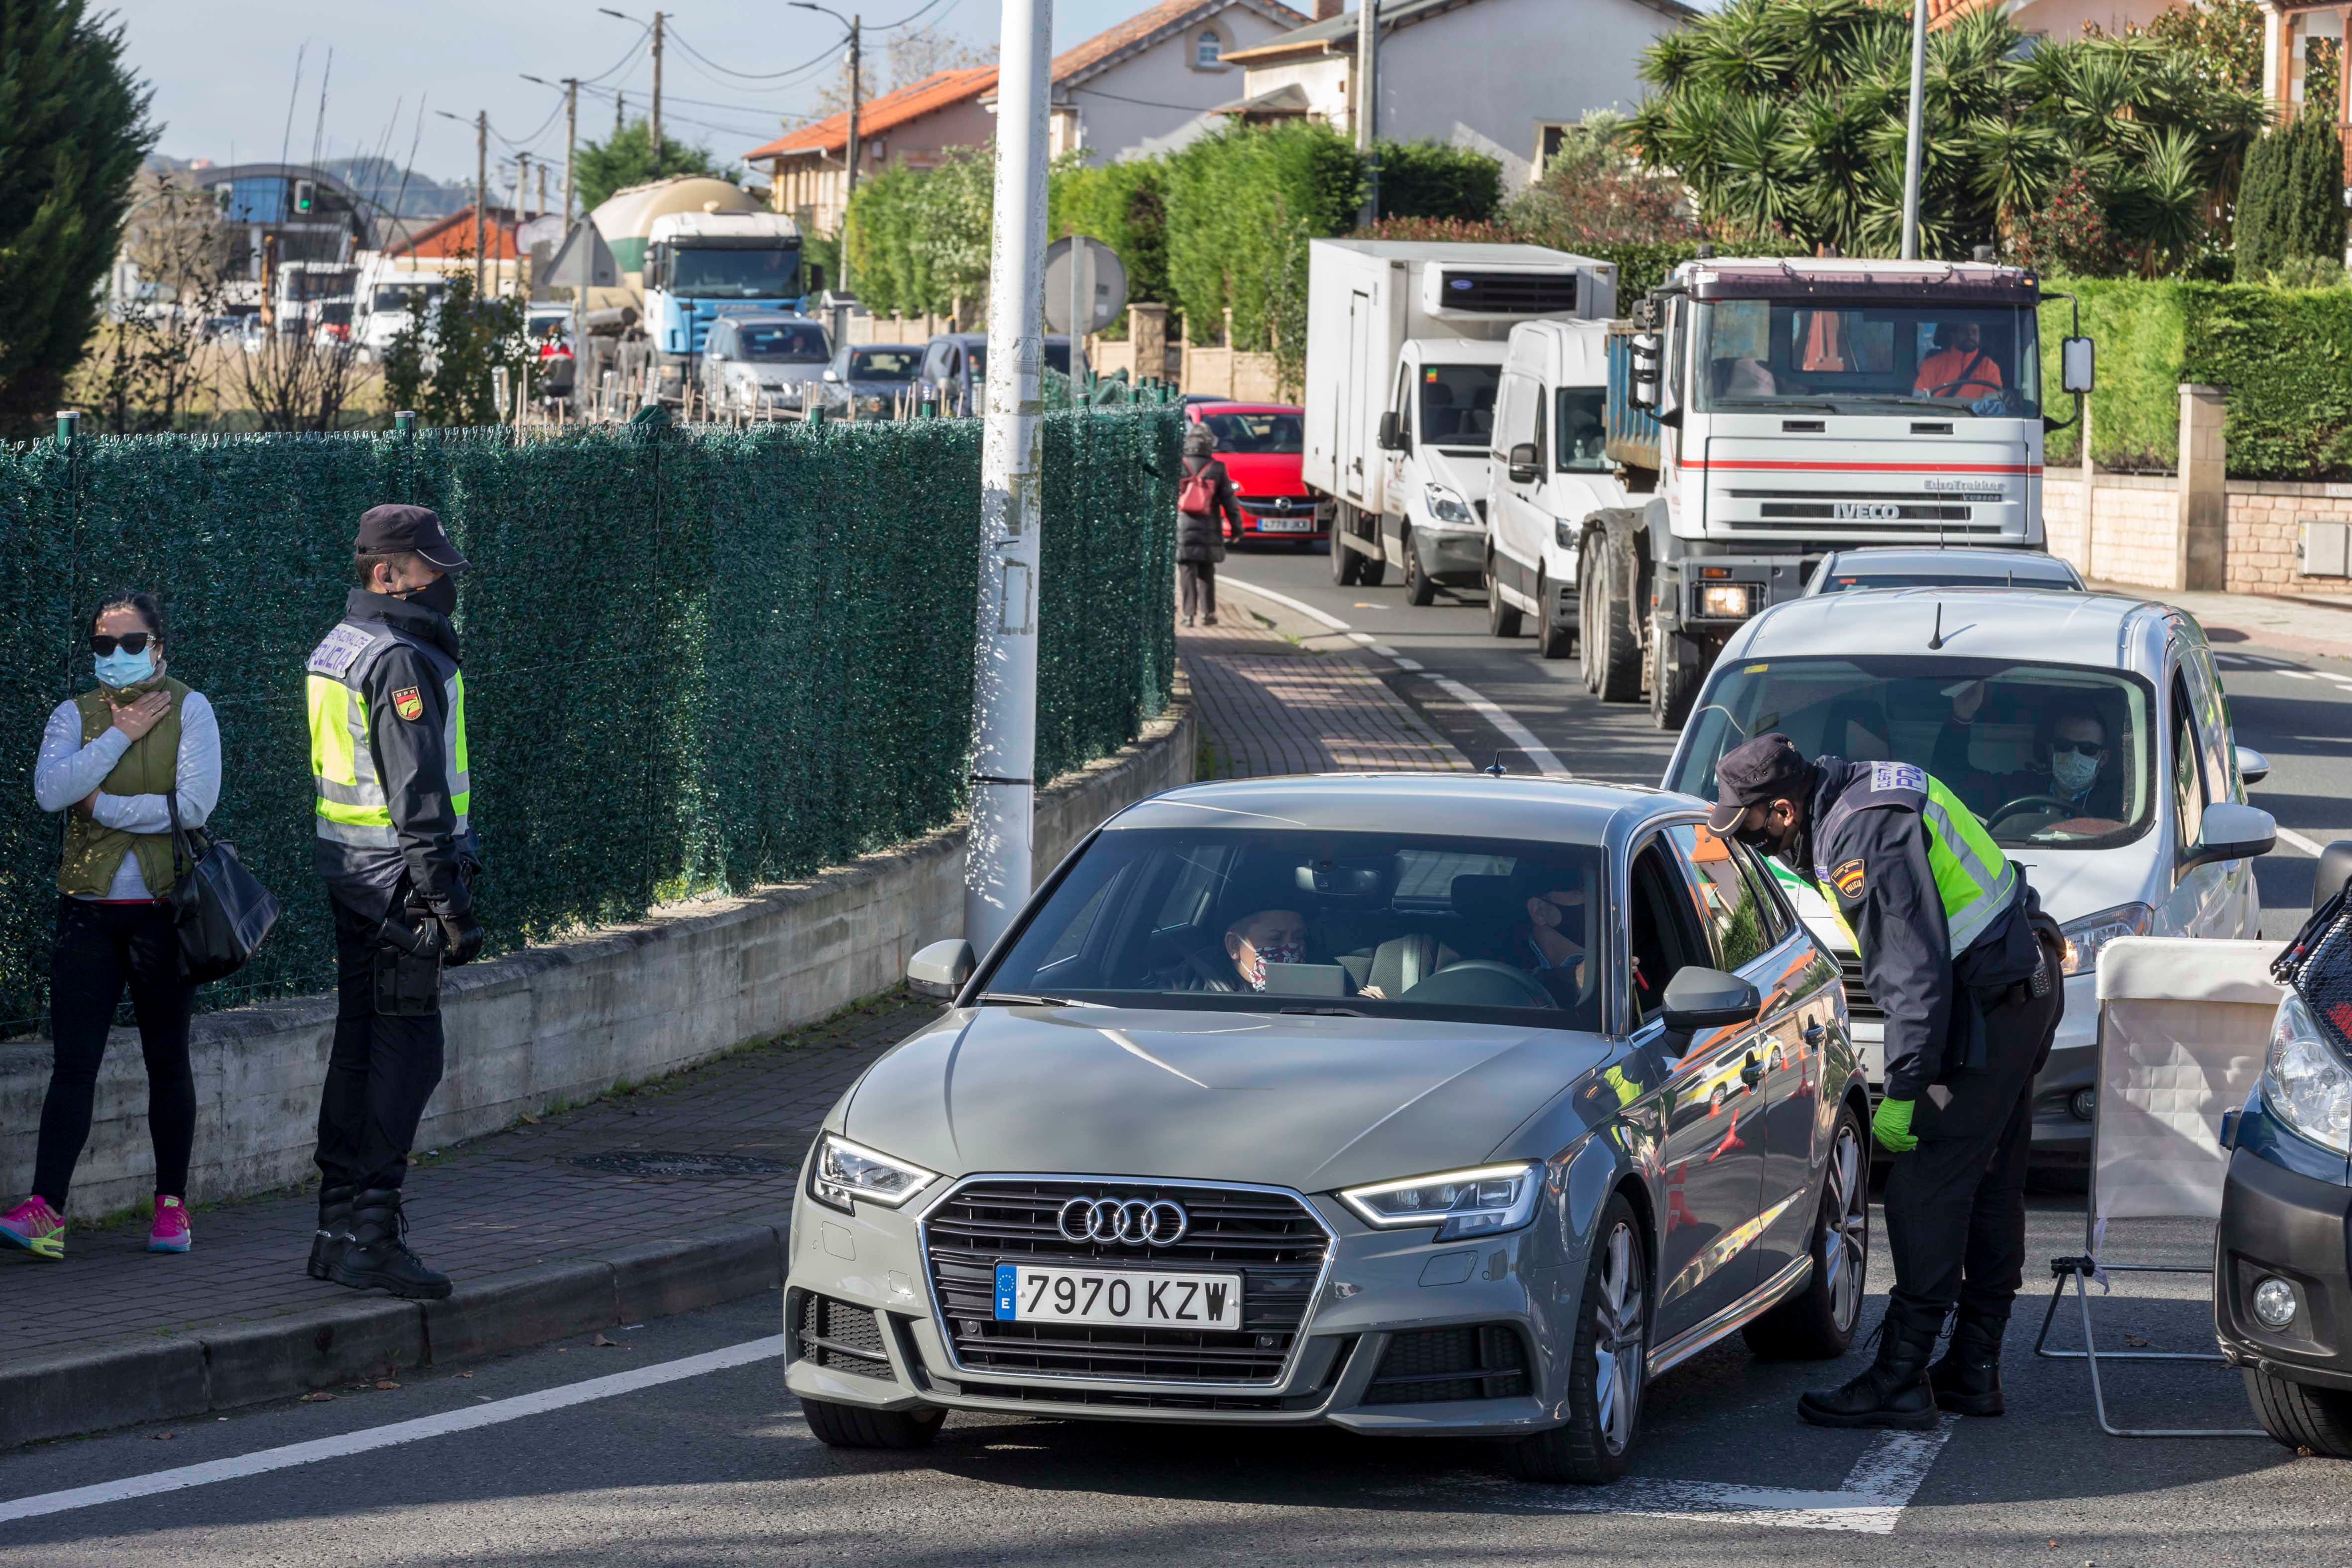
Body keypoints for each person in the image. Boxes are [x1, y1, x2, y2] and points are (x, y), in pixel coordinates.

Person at [1708, 733, 2063, 1429]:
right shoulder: (1863, 788)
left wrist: (1905, 1087)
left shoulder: (1856, 838)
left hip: (1990, 1010)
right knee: (1988, 1177)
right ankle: (1973, 1368)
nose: (1748, 841)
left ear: (1782, 810)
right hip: (2021, 987)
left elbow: (1912, 975)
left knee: (1923, 1185)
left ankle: (1902, 1376)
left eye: (1747, 825)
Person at [0, 592, 222, 1262]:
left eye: (133, 643)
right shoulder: (75, 714)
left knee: (166, 1058)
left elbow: (194, 806)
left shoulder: (194, 709)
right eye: (105, 645)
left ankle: (172, 1210)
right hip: (88, 912)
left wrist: (102, 803)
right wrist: (122, 736)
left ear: (160, 646)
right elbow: (49, 791)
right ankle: (47, 1212)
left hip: (164, 911)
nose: (119, 656)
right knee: (74, 1063)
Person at [305, 504, 484, 1301]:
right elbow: (416, 792)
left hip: (350, 871)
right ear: (387, 573)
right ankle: (372, 1233)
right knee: (409, 1057)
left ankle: (336, 1228)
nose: (442, 582)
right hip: (400, 884)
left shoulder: (341, 644)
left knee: (357, 1048)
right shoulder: (402, 660)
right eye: (428, 568)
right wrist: (445, 900)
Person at [1933, 686, 2123, 826]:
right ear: (2051, 751)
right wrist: (1961, 717)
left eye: (2087, 749)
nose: (2075, 755)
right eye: (2064, 746)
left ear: (2103, 758)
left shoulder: (2121, 804)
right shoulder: (2020, 790)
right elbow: (1952, 781)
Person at [1176, 425, 1245, 628]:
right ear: (1209, 444)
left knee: (1187, 570)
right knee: (1207, 570)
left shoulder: (1180, 466)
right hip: (1209, 528)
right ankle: (1209, 613)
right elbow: (1230, 503)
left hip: (1183, 528)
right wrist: (1236, 529)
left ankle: (1188, 615)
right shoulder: (1217, 468)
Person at [1153, 905, 1308, 993]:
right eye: (1275, 939)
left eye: (1298, 938)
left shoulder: (1321, 984)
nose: (1291, 947)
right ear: (1234, 945)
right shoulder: (1183, 987)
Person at [1914, 321, 2003, 399]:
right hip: (1939, 417)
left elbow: (1993, 406)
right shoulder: (1931, 365)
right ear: (1953, 336)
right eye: (1965, 331)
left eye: (1974, 332)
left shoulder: (1990, 368)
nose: (1970, 335)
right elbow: (1919, 400)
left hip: (1976, 418)